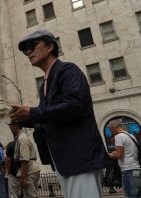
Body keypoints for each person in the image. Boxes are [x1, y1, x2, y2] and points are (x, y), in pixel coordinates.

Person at [10, 30, 110, 198]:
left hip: (80, 158)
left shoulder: (68, 70)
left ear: (50, 46)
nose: (28, 52)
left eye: (32, 46)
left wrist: (33, 112)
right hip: (64, 160)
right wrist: (23, 118)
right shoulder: (44, 85)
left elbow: (74, 107)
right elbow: (49, 117)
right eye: (25, 50)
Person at [108, 119, 141, 197]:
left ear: (113, 127)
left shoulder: (119, 137)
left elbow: (119, 155)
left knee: (131, 195)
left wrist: (111, 155)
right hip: (136, 168)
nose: (111, 132)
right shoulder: (131, 136)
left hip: (128, 170)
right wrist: (116, 153)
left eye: (110, 130)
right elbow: (128, 152)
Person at [9, 120, 40, 198]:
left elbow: (24, 160)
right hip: (29, 169)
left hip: (29, 170)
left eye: (11, 125)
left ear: (16, 125)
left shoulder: (22, 139)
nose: (10, 128)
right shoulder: (21, 137)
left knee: (30, 196)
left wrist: (23, 177)